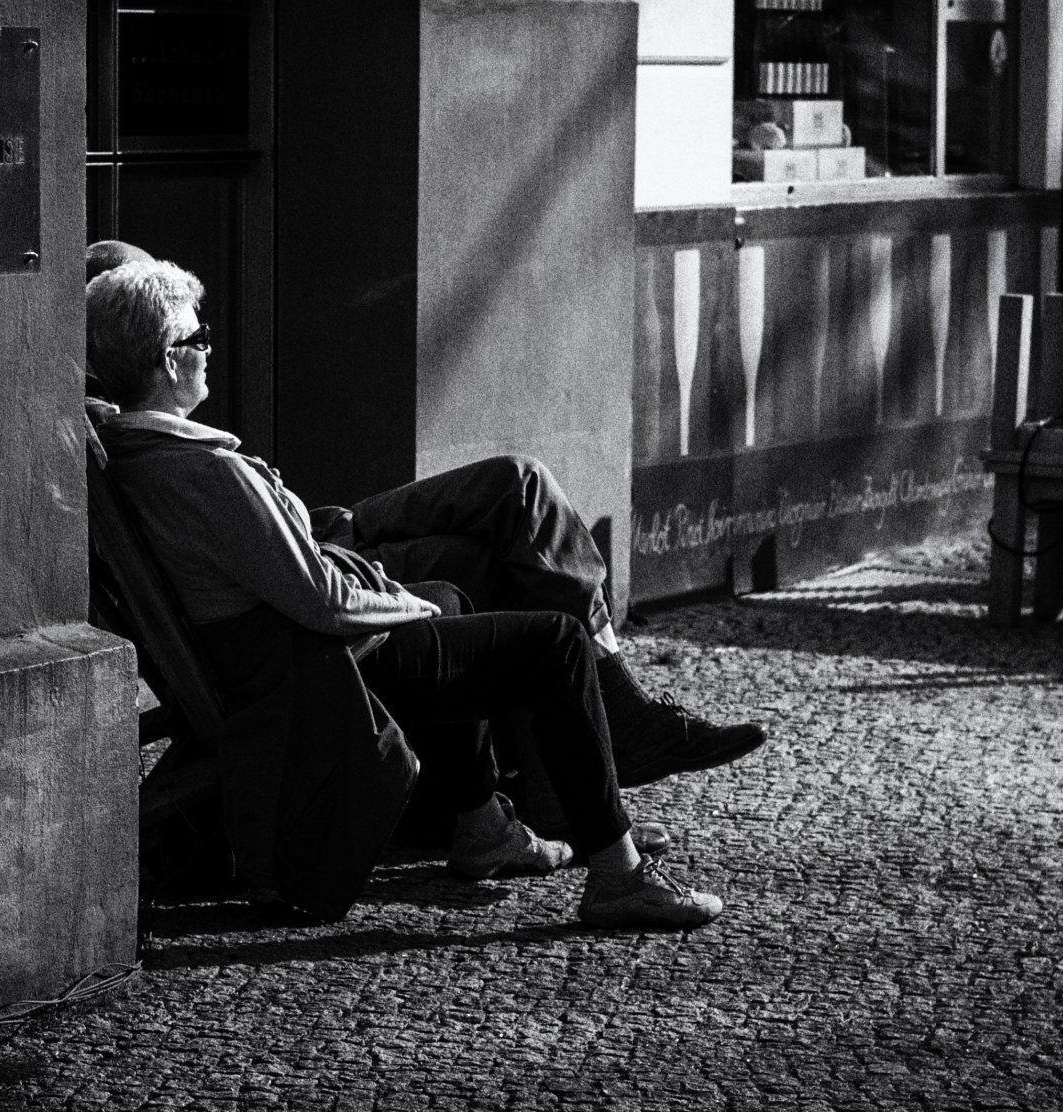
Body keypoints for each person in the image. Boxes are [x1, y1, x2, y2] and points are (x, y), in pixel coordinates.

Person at [87, 256, 728, 929]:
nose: (209, 349)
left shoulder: (140, 455)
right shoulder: (204, 472)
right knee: (556, 643)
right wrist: (407, 605)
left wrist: (419, 601)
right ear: (165, 361)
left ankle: (483, 824)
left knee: (454, 595)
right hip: (311, 674)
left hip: (268, 665)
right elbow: (323, 602)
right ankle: (618, 874)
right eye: (197, 340)